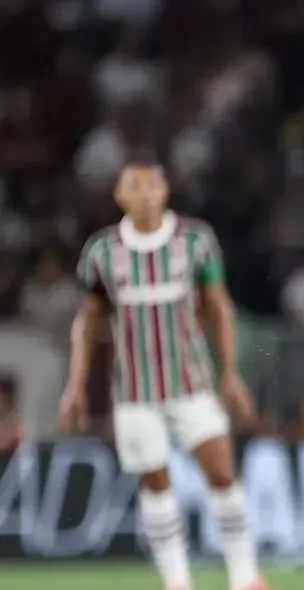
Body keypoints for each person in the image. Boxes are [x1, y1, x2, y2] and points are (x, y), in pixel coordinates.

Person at [59, 163, 264, 590]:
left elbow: (219, 307)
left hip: (192, 383)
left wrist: (230, 373)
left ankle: (244, 578)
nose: (146, 193)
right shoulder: (102, 251)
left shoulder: (194, 240)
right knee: (156, 483)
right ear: (119, 195)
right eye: (136, 185)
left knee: (222, 473)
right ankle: (177, 581)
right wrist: (75, 385)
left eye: (153, 184)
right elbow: (89, 321)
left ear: (166, 190)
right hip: (134, 392)